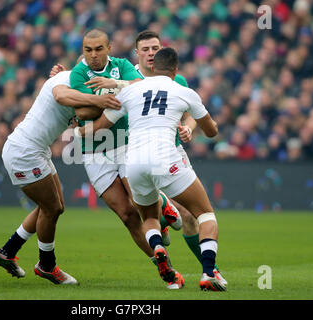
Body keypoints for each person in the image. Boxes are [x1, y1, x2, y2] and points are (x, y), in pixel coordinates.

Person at [77, 48, 227, 291]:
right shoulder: (184, 91)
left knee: (148, 217)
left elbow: (101, 126)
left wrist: (77, 130)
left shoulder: (131, 91)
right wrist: (207, 124)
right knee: (205, 215)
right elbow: (211, 131)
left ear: (153, 68)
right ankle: (209, 273)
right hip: (166, 160)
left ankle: (157, 246)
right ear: (175, 70)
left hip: (133, 163)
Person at [66, 28, 185, 288]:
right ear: (83, 51)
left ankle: (164, 206)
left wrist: (113, 90)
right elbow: (81, 110)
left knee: (138, 199)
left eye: (99, 49)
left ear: (109, 48)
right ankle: (162, 264)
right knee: (127, 215)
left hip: (124, 143)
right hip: (94, 152)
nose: (93, 55)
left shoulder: (120, 66)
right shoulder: (78, 73)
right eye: (88, 50)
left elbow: (142, 85)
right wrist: (110, 100)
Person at [0, 70, 121, 285]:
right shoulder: (68, 83)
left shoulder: (71, 81)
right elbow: (65, 99)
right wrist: (106, 101)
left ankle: (7, 252)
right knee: (52, 208)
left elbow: (81, 116)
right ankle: (47, 266)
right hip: (24, 152)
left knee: (53, 205)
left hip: (36, 150)